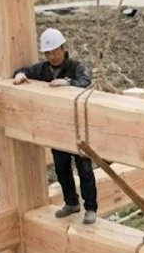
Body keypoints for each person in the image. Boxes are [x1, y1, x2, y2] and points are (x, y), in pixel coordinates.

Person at [12, 28, 98, 225]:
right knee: (61, 168)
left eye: (55, 52)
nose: (53, 56)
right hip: (57, 128)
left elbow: (85, 81)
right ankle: (71, 203)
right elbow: (24, 71)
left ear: (63, 49)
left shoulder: (75, 67)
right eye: (49, 53)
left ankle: (91, 208)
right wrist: (20, 75)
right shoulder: (43, 69)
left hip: (77, 128)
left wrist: (67, 83)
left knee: (84, 170)